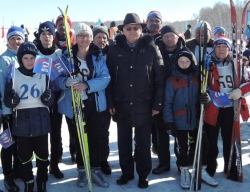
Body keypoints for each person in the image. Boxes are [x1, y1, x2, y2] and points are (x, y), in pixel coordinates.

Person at [106, 13, 165, 189]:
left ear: (141, 29)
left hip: (144, 105)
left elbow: (159, 79)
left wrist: (157, 104)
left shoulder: (151, 49)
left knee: (143, 143)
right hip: (121, 104)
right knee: (124, 143)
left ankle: (143, 174)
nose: (132, 31)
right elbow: (108, 78)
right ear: (122, 30)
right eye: (128, 28)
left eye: (136, 28)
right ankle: (127, 172)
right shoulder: (114, 50)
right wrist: (110, 102)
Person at [56, 23, 110, 188]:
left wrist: (88, 85)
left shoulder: (98, 56)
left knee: (94, 137)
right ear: (75, 38)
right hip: (74, 104)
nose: (84, 39)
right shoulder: (66, 56)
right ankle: (81, 169)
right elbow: (56, 79)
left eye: (87, 36)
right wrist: (65, 82)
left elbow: (105, 77)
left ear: (91, 38)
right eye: (80, 35)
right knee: (78, 138)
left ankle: (94, 169)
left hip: (94, 103)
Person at [163, 47, 218, 189]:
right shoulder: (171, 81)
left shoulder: (197, 77)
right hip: (180, 121)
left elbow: (206, 93)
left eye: (187, 61)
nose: (184, 64)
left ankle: (202, 169)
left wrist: (207, 98)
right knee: (182, 147)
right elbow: (167, 103)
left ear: (191, 62)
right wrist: (169, 121)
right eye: (181, 61)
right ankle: (184, 170)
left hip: (196, 120)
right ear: (176, 63)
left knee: (203, 145)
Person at [4, 41, 54, 192]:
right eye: (25, 58)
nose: (29, 61)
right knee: (24, 156)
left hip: (41, 121)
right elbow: (7, 99)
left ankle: (42, 181)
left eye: (32, 58)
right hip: (22, 123)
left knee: (43, 155)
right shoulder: (14, 74)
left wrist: (48, 97)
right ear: (20, 59)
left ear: (36, 59)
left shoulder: (43, 75)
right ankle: (28, 181)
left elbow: (51, 99)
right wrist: (12, 100)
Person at [202, 36, 250, 181]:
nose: (221, 49)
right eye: (218, 47)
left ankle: (231, 168)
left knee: (230, 139)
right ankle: (210, 167)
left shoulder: (237, 64)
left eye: (224, 47)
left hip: (231, 108)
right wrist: (205, 95)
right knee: (211, 140)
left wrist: (240, 91)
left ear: (229, 49)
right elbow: (202, 83)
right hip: (213, 108)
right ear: (214, 49)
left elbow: (248, 82)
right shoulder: (208, 64)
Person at [152, 25, 186, 175]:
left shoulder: (185, 52)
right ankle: (164, 163)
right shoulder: (156, 51)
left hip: (180, 98)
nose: (169, 38)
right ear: (162, 37)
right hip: (161, 97)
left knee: (180, 133)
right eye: (166, 36)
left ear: (177, 37)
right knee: (161, 133)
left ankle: (181, 162)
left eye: (171, 35)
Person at [35, 21, 66, 180]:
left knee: (55, 133)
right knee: (40, 135)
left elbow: (63, 75)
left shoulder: (60, 53)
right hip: (36, 101)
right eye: (43, 34)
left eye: (49, 34)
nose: (46, 37)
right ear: (39, 36)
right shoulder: (33, 53)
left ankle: (54, 164)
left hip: (55, 100)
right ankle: (42, 165)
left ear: (53, 36)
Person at [0, 26, 25, 192]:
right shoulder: (4, 59)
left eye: (19, 38)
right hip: (9, 110)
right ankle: (8, 175)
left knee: (20, 142)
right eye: (13, 38)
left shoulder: (25, 56)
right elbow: (2, 87)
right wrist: (6, 111)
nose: (16, 42)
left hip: (23, 109)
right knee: (8, 143)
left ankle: (18, 170)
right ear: (8, 40)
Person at [186, 20, 214, 164]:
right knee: (193, 125)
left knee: (208, 127)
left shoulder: (215, 47)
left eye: (205, 33)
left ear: (210, 33)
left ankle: (207, 155)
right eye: (198, 33)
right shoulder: (188, 46)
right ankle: (193, 151)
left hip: (210, 92)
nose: (201, 36)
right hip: (192, 90)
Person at [54, 14, 78, 165]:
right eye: (60, 24)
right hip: (55, 91)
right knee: (55, 127)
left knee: (73, 124)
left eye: (66, 24)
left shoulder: (75, 44)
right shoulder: (51, 42)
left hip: (71, 92)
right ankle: (57, 153)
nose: (63, 27)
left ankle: (74, 151)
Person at [92, 26, 112, 175]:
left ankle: (103, 160)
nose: (101, 40)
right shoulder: (88, 54)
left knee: (104, 132)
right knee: (92, 132)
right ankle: (91, 160)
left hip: (108, 98)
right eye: (98, 37)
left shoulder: (112, 53)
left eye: (104, 37)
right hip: (92, 97)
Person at [145, 10, 163, 156]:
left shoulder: (165, 39)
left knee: (159, 123)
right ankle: (140, 150)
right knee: (143, 123)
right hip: (143, 87)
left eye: (157, 20)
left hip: (159, 85)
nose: (154, 23)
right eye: (151, 20)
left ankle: (159, 149)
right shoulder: (142, 38)